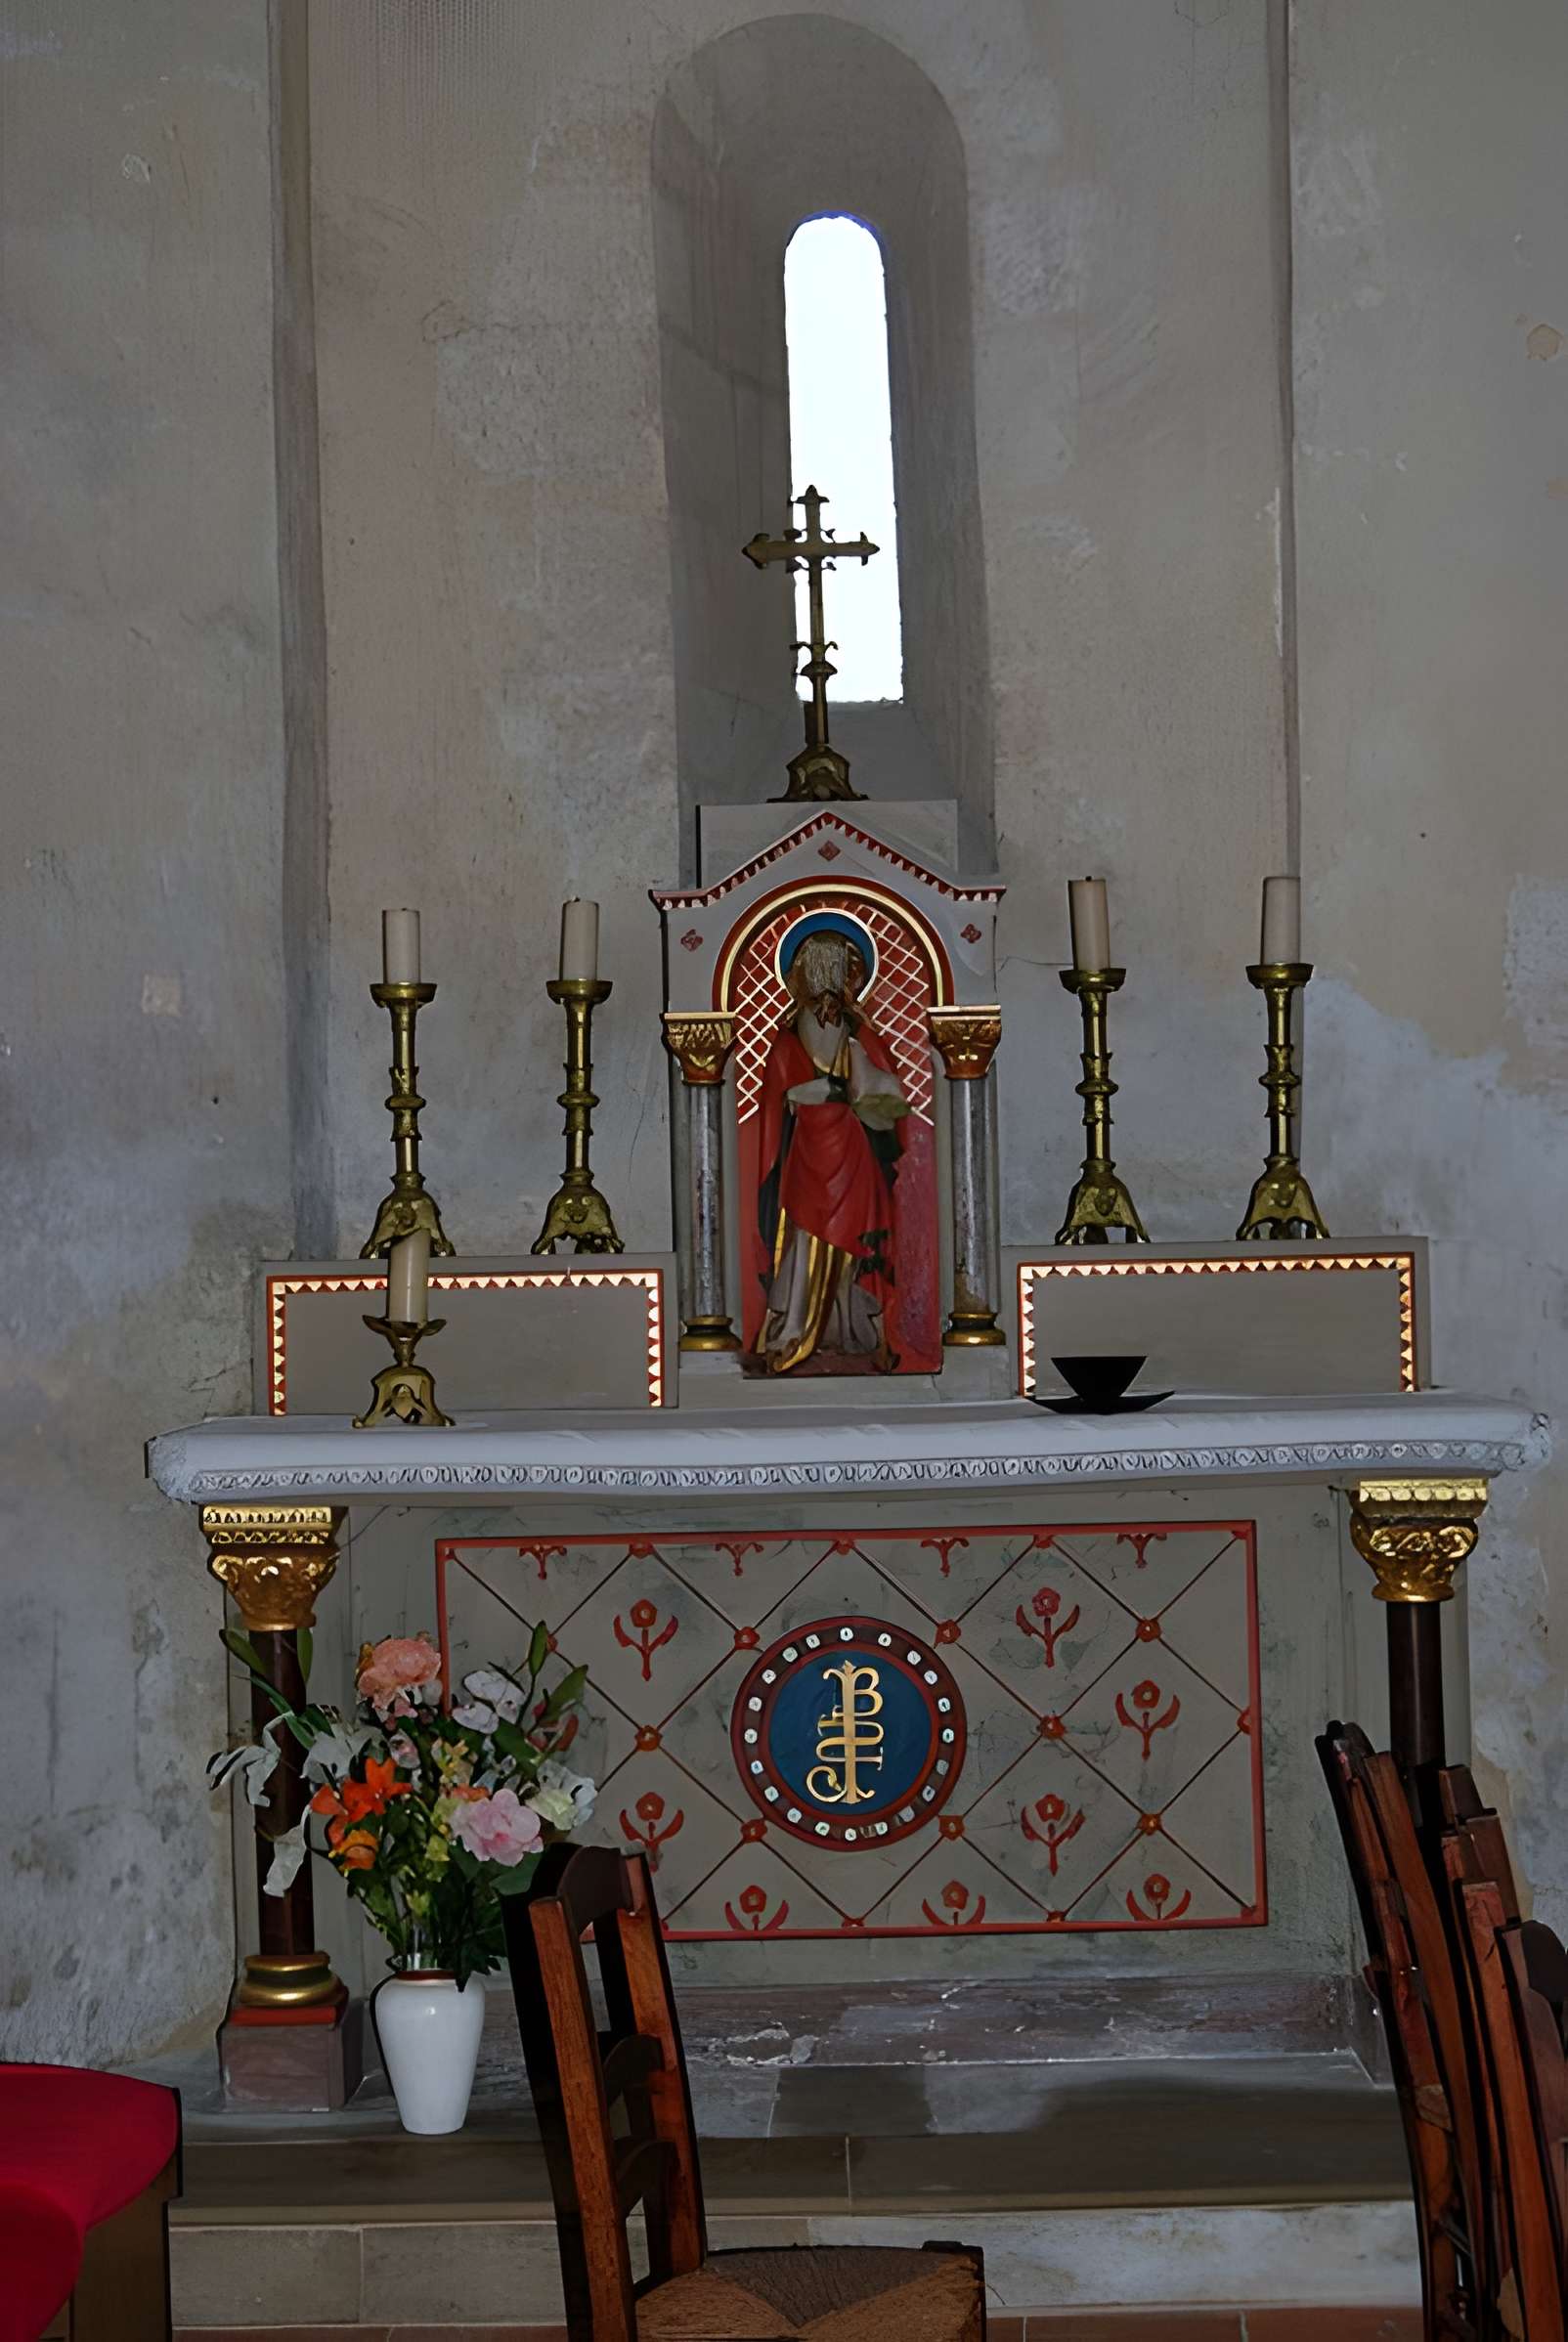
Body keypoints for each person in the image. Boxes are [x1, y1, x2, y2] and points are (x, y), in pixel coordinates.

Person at [755, 928, 910, 1373]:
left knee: (818, 1242)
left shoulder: (801, 1030)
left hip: (822, 1146)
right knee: (834, 1243)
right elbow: (879, 1095)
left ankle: (805, 1332)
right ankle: (846, 1333)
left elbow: (783, 1100)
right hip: (837, 1148)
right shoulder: (852, 1028)